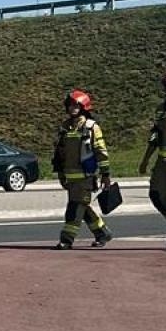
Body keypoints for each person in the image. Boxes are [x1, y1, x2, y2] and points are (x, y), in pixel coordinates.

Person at [52, 89, 113, 249]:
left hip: (86, 177)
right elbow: (59, 153)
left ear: (84, 107)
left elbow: (101, 151)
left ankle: (66, 239)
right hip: (70, 177)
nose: (72, 108)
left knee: (74, 208)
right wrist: (60, 173)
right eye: (70, 105)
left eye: (76, 106)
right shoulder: (65, 127)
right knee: (82, 207)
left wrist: (105, 174)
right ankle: (102, 232)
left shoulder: (91, 127)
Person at [139, 69, 166, 251]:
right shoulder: (161, 109)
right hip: (162, 162)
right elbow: (155, 135)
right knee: (156, 194)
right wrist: (145, 160)